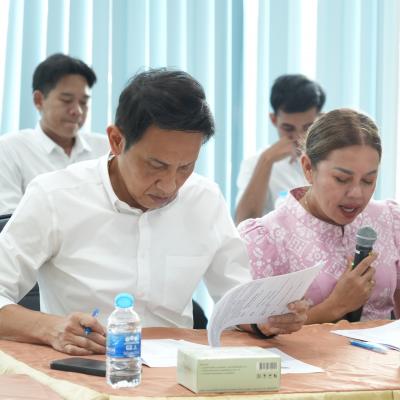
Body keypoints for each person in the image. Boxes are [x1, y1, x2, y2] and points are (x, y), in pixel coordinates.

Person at [0, 68, 308, 355]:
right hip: (86, 367)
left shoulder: (204, 198)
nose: (169, 185)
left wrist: (266, 319)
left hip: (177, 374)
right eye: (156, 165)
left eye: (185, 167)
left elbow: (237, 299)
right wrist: (50, 327)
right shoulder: (54, 196)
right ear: (116, 140)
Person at [239, 108, 400, 324]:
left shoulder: (390, 219)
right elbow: (255, 331)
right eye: (342, 179)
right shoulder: (267, 238)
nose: (357, 194)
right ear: (308, 168)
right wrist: (336, 305)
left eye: (368, 180)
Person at [0, 53, 109, 215]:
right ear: (39, 100)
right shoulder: (9, 149)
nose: (77, 111)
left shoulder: (106, 149)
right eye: (66, 100)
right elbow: (9, 219)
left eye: (83, 102)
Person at [235, 74, 326, 224]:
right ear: (274, 120)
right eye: (288, 128)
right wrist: (266, 161)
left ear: (320, 120)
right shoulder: (256, 162)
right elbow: (243, 223)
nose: (298, 137)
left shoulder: (333, 161)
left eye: (307, 127)